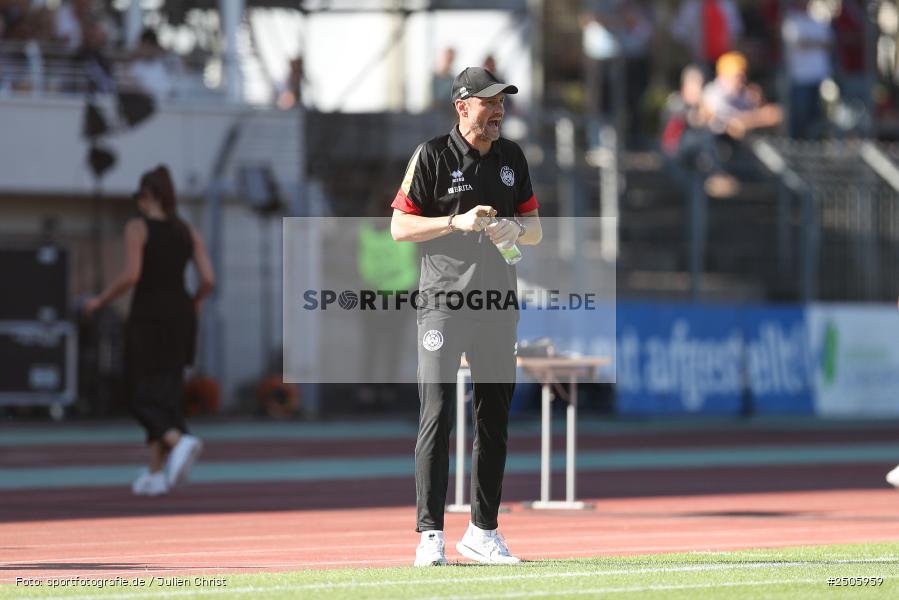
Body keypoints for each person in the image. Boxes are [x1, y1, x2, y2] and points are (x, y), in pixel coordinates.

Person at [391, 66, 542, 566]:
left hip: (498, 307)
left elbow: (536, 229)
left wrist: (513, 230)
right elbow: (399, 227)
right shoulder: (432, 154)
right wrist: (456, 221)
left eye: (502, 102)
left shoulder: (511, 157)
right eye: (489, 102)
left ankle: (483, 532)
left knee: (494, 420)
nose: (499, 110)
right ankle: (430, 535)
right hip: (443, 305)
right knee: (436, 415)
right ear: (462, 106)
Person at [85, 165, 214, 497]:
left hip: (149, 314)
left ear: (148, 194)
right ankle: (156, 473)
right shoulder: (187, 230)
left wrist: (101, 299)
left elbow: (132, 274)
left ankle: (177, 439)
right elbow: (208, 279)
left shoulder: (137, 227)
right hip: (182, 313)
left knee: (137, 391)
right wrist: (196, 302)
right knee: (167, 390)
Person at [702, 51, 782, 140]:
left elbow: (772, 114)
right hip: (717, 143)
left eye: (743, 76)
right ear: (724, 76)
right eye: (738, 76)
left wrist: (760, 101)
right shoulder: (712, 94)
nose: (743, 80)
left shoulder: (742, 92)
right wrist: (761, 117)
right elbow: (734, 125)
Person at [782, 0, 833, 138]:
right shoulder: (791, 20)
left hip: (819, 77)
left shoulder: (818, 20)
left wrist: (810, 42)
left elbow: (829, 43)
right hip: (800, 78)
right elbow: (800, 44)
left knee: (816, 117)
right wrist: (817, 43)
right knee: (800, 118)